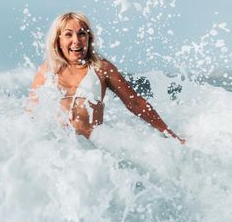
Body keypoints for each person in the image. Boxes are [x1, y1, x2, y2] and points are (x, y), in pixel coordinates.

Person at [29, 11, 185, 144]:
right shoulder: (46, 71)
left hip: (91, 154)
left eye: (82, 33)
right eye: (68, 34)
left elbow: (135, 103)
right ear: (58, 40)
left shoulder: (101, 68)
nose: (76, 40)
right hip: (56, 149)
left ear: (89, 39)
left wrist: (170, 134)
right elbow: (31, 113)